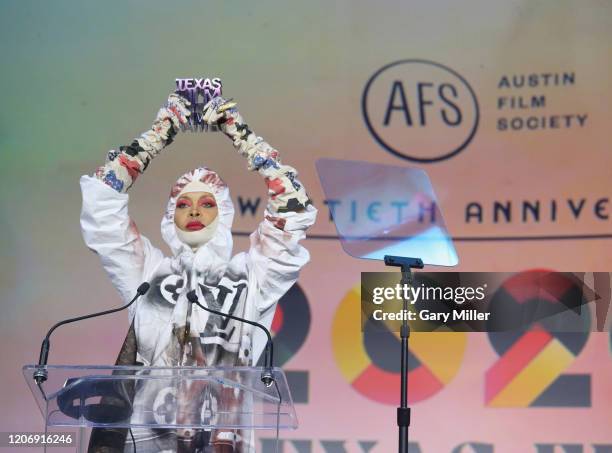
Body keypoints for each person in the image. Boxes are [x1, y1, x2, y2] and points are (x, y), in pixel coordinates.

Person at [80, 93, 316, 452]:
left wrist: (238, 131)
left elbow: (293, 210)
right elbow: (102, 206)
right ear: (169, 217)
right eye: (183, 204)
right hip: (144, 442)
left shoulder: (250, 277)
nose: (194, 211)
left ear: (223, 213)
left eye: (207, 204)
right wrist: (162, 131)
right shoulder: (150, 273)